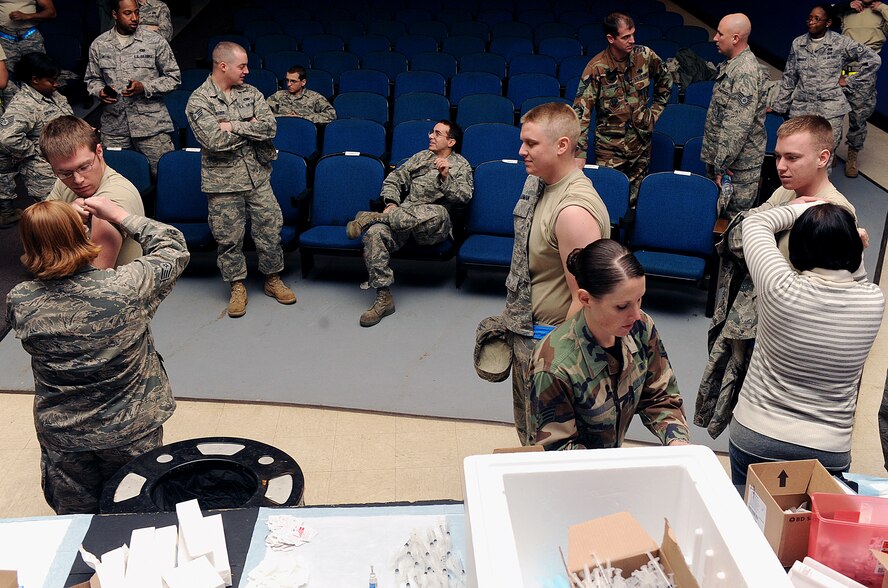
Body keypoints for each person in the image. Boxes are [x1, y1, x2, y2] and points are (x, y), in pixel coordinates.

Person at [5, 196, 190, 514]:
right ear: (83, 235)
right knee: (139, 512)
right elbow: (172, 246)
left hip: (65, 437)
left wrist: (58, 222)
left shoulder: (21, 301)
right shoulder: (127, 287)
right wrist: (117, 214)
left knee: (78, 522)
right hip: (130, 429)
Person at [695, 115, 861, 440]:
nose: (781, 166)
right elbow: (736, 237)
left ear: (823, 158)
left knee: (768, 431)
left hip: (785, 343)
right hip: (754, 321)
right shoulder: (789, 194)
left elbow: (823, 301)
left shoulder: (838, 215)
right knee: (741, 416)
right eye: (779, 156)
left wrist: (767, 221)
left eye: (793, 158)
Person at [480, 102, 610, 445]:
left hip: (553, 349)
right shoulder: (540, 186)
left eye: (531, 144)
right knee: (530, 440)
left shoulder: (573, 212)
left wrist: (551, 369)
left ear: (562, 145)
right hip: (532, 338)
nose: (522, 151)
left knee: (552, 449)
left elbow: (583, 301)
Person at [728, 201, 884, 485]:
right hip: (826, 450)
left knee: (746, 520)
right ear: (853, 249)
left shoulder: (779, 287)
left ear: (798, 249)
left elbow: (754, 224)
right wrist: (846, 235)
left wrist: (811, 206)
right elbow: (856, 277)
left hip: (757, 437)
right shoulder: (873, 302)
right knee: (808, 528)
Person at [531, 240, 690, 450]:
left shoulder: (640, 328)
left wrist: (676, 440)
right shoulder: (555, 366)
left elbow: (660, 396)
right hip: (574, 474)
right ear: (586, 299)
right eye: (622, 306)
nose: (635, 314)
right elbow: (556, 452)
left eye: (639, 300)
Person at [186, 41, 296, 318]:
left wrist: (233, 125)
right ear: (223, 66)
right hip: (223, 183)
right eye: (242, 65)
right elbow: (214, 140)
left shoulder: (252, 93)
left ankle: (272, 279)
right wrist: (250, 128)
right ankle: (236, 286)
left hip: (258, 176)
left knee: (270, 229)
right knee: (228, 238)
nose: (247, 70)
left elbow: (270, 126)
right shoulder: (199, 101)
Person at [345, 120, 472, 327]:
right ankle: (383, 297)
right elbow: (394, 178)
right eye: (431, 132)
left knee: (437, 212)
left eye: (437, 134)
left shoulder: (461, 165)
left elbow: (464, 198)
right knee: (375, 233)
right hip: (402, 218)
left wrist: (446, 177)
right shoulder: (421, 157)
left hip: (432, 227)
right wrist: (392, 202)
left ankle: (372, 217)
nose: (431, 136)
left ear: (451, 142)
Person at [572, 11, 672, 203]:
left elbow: (665, 80)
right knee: (609, 202)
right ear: (611, 38)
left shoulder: (645, 56)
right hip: (610, 149)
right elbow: (581, 112)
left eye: (633, 34)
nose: (632, 40)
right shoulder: (596, 68)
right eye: (626, 36)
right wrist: (579, 154)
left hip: (641, 144)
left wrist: (655, 112)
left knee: (636, 205)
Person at [770, 4, 880, 171]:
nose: (811, 22)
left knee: (824, 155)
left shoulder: (839, 42)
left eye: (817, 19)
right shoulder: (798, 43)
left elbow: (872, 60)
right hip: (803, 106)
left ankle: (821, 191)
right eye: (809, 18)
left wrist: (849, 79)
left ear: (828, 23)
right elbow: (789, 77)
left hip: (830, 108)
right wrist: (779, 106)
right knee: (797, 151)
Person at [84, 0, 180, 178]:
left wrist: (145, 87)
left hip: (151, 126)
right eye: (128, 13)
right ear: (114, 14)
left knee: (164, 175)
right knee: (113, 177)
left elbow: (174, 78)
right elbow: (92, 79)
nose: (135, 18)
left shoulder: (155, 41)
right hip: (115, 127)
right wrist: (100, 92)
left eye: (137, 12)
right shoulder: (99, 45)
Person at [41, 115, 145, 269]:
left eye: (84, 167)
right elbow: (34, 226)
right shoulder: (63, 180)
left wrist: (61, 221)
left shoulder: (116, 195)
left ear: (99, 151)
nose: (78, 180)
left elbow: (96, 275)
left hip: (110, 289)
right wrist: (66, 214)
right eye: (65, 173)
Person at [702, 13, 769, 218]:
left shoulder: (744, 72)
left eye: (720, 34)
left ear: (735, 38)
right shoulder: (733, 64)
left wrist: (721, 167)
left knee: (733, 224)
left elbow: (736, 128)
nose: (715, 37)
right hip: (726, 164)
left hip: (736, 170)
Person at [0, 51, 70, 227]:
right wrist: (36, 149)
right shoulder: (24, 105)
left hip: (66, 166)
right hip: (45, 175)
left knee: (71, 218)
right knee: (55, 223)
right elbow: (7, 138)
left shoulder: (53, 95)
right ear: (35, 80)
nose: (56, 84)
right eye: (51, 80)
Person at [833, 0, 888, 177]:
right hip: (844, 67)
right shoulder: (848, 10)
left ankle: (852, 156)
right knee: (833, 113)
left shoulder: (882, 12)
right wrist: (846, 6)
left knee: (859, 117)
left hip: (865, 70)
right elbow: (825, 14)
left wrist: (881, 8)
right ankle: (831, 150)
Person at [0, 0, 54, 89]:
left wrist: (27, 16)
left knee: (39, 71)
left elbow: (51, 12)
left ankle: (42, 102)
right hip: (4, 38)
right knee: (9, 78)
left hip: (29, 36)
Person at [266, 65, 336, 124]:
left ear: (303, 82)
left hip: (304, 134)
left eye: (293, 81)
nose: (288, 84)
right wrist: (284, 117)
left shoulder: (314, 97)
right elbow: (261, 113)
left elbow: (331, 115)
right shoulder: (278, 95)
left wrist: (303, 118)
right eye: (287, 80)